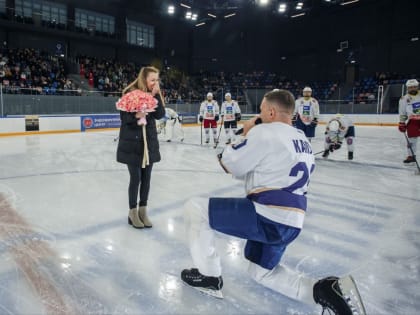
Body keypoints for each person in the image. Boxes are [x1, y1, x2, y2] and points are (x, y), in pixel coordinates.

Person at [180, 89, 365, 315]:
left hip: (267, 216)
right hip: (292, 222)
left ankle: (209, 277)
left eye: (260, 110)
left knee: (196, 208)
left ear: (271, 111)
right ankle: (324, 290)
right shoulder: (302, 140)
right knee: (262, 272)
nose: (258, 114)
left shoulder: (265, 133)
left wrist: (246, 133)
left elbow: (229, 163)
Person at [116, 66, 165, 229]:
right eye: (153, 80)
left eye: (157, 80)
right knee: (135, 177)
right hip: (133, 142)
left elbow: (159, 115)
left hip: (148, 142)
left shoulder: (154, 94)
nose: (155, 83)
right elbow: (125, 119)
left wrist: (156, 95)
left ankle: (143, 210)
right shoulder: (131, 93)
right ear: (144, 79)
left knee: (147, 178)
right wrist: (137, 114)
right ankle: (132, 212)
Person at [398, 79, 420, 163]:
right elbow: (402, 112)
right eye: (410, 87)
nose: (413, 88)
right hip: (413, 121)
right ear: (407, 88)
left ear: (417, 86)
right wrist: (402, 123)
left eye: (414, 87)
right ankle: (411, 156)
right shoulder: (404, 99)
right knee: (412, 140)